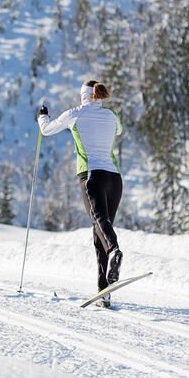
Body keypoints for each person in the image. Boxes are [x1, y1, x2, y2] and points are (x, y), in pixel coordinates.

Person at [37, 80, 124, 308]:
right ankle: (103, 291)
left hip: (92, 175)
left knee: (99, 222)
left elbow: (46, 130)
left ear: (83, 96)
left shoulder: (74, 114)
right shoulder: (112, 115)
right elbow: (120, 130)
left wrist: (41, 116)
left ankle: (115, 250)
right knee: (100, 232)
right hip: (114, 179)